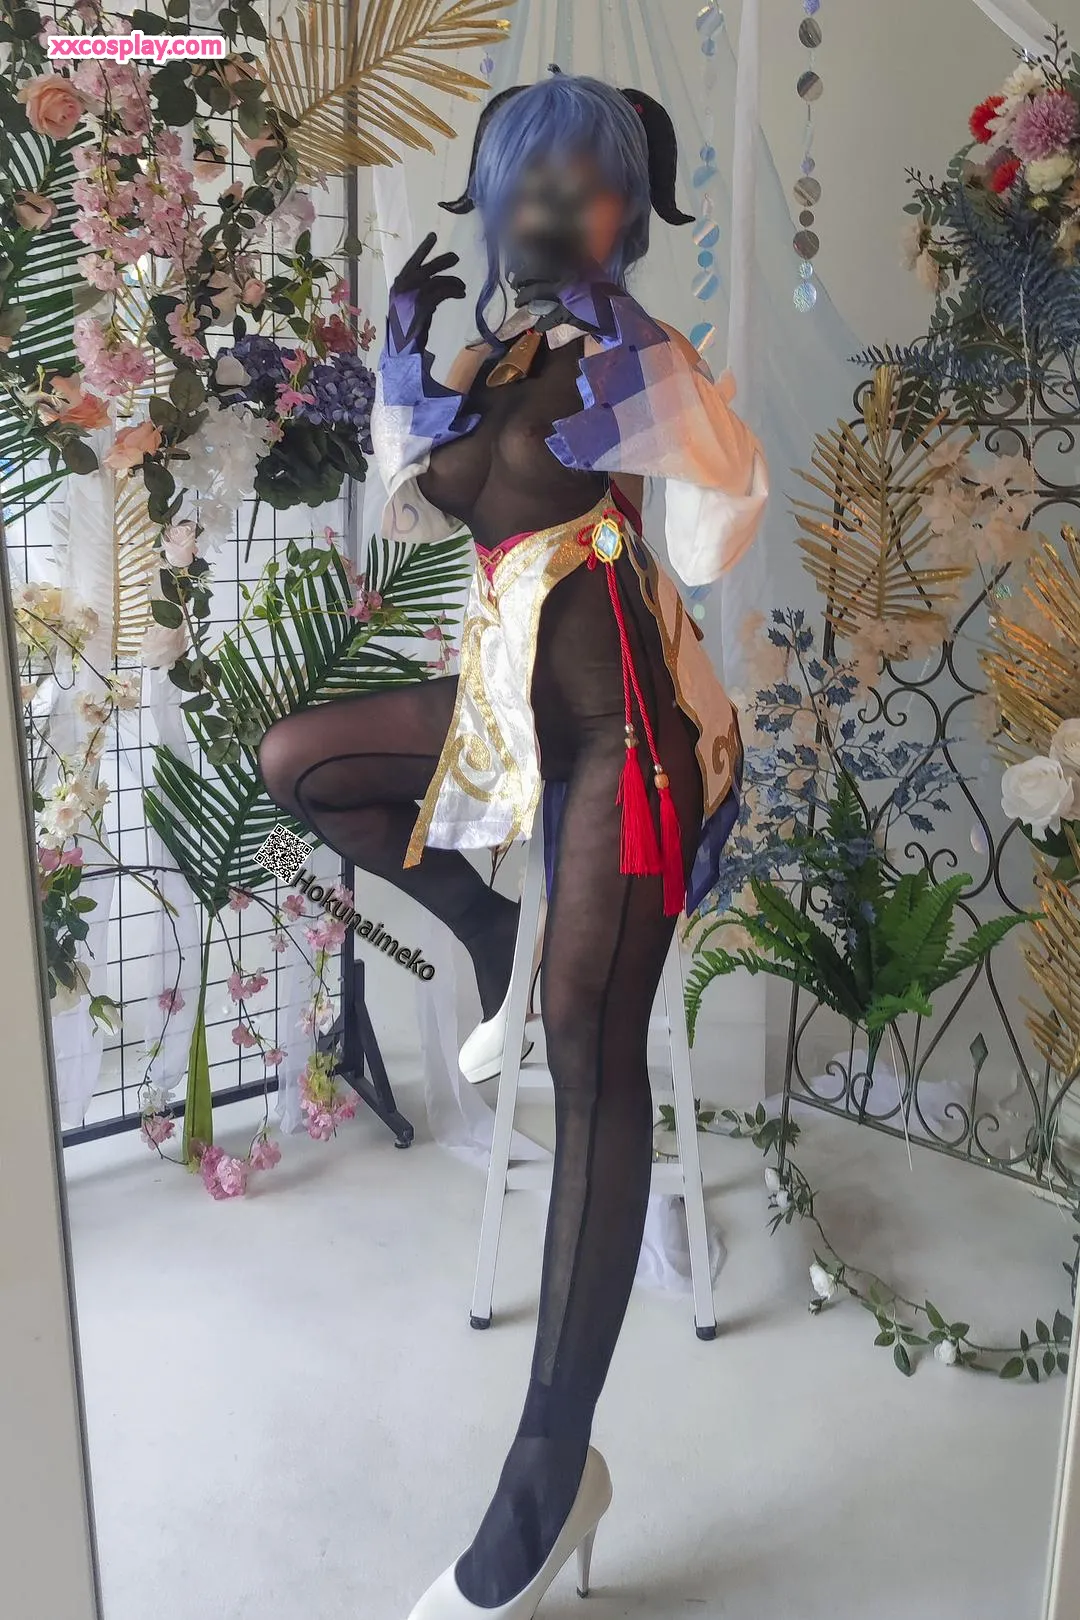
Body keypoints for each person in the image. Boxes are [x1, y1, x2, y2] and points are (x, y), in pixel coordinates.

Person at [258, 71, 767, 1620]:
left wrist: (665, 390)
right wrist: (409, 378)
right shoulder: (492, 364)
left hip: (628, 746)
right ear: (489, 198)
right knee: (300, 761)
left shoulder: (635, 354)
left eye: (582, 183)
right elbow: (423, 517)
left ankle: (551, 1471)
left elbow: (709, 535)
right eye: (524, 181)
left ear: (627, 207)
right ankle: (487, 929)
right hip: (506, 727)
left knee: (591, 1053)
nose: (547, 208)